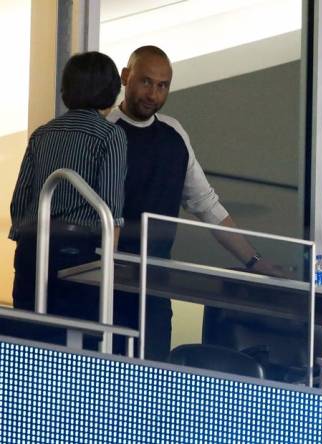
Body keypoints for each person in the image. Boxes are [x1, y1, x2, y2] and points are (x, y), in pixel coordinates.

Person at [107, 45, 281, 361]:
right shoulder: (105, 132)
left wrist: (254, 261)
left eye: (163, 86)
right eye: (146, 82)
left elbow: (207, 205)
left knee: (153, 384)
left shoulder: (174, 134)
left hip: (155, 288)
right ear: (125, 77)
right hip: (106, 284)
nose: (153, 94)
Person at [8, 51, 126, 343]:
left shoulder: (41, 134)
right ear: (110, 92)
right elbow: (109, 211)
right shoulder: (110, 136)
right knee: (76, 348)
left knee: (28, 343)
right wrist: (110, 265)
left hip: (32, 249)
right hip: (80, 256)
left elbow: (19, 202)